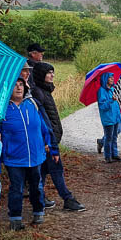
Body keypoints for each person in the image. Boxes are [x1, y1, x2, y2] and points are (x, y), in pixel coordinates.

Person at [31, 62, 86, 212]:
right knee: (56, 170)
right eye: (49, 72)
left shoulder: (44, 91)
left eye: (52, 72)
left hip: (50, 139)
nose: (52, 75)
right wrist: (48, 141)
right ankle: (67, 199)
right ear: (41, 74)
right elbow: (42, 121)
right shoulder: (38, 93)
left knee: (42, 171)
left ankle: (39, 199)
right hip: (47, 141)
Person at [0, 78, 52, 230]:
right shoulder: (2, 110)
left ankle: (38, 211)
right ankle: (15, 218)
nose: (18, 88)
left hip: (35, 156)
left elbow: (43, 127)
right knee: (17, 188)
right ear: (8, 90)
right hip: (14, 158)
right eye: (14, 85)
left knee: (37, 186)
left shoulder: (32, 104)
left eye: (21, 85)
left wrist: (48, 143)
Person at [96, 71, 121, 163]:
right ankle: (107, 156)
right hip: (108, 118)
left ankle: (114, 154)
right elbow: (102, 106)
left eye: (113, 77)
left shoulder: (113, 89)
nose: (112, 79)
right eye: (110, 77)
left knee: (115, 136)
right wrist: (111, 100)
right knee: (109, 138)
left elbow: (117, 103)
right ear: (105, 79)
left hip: (116, 117)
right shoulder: (101, 91)